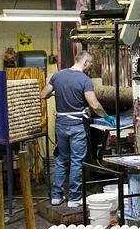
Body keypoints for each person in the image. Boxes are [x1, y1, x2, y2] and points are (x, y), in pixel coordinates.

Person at [40, 51, 108, 207]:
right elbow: (95, 105)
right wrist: (106, 117)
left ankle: (56, 196)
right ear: (85, 63)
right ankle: (73, 198)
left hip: (61, 125)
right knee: (77, 161)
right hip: (77, 126)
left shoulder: (58, 76)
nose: (89, 68)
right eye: (90, 65)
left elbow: (43, 94)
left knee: (61, 160)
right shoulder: (85, 80)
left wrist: (55, 94)